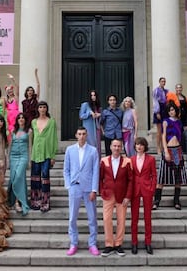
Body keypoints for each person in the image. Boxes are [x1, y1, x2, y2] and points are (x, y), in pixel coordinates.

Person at [63, 127, 99, 256]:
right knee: (72, 217)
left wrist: (94, 189)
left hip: (89, 188)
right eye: (79, 134)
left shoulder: (93, 151)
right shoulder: (70, 150)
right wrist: (68, 185)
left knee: (92, 217)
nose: (82, 136)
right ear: (76, 135)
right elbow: (66, 169)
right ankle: (73, 243)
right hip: (75, 187)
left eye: (84, 134)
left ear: (87, 135)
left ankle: (92, 243)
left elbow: (96, 171)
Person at [99, 139, 132, 257]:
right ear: (111, 147)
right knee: (107, 219)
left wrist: (128, 196)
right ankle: (109, 244)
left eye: (119, 146)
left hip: (122, 196)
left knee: (121, 220)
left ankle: (118, 244)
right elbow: (100, 178)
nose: (117, 148)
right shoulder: (104, 161)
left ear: (121, 147)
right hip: (108, 195)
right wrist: (101, 191)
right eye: (115, 146)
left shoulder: (127, 161)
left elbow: (130, 180)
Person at [154, 102, 187, 210]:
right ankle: (156, 201)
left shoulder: (179, 122)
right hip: (168, 149)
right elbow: (163, 136)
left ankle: (176, 201)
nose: (171, 112)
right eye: (169, 110)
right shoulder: (165, 121)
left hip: (178, 150)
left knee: (178, 178)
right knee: (162, 177)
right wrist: (165, 151)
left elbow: (181, 136)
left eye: (173, 110)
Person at [130, 137, 156, 255]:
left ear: (145, 146)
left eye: (141, 145)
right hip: (135, 189)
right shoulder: (131, 159)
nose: (139, 147)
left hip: (147, 189)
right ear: (134, 146)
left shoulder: (151, 159)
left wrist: (152, 188)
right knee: (134, 218)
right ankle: (134, 242)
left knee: (147, 217)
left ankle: (148, 242)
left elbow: (154, 175)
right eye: (137, 145)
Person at [30, 101, 58, 212]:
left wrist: (53, 156)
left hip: (47, 153)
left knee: (45, 176)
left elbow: (54, 139)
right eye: (40, 107)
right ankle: (35, 201)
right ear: (37, 109)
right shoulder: (33, 122)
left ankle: (45, 202)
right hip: (36, 153)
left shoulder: (51, 122)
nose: (42, 109)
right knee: (35, 177)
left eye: (44, 107)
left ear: (47, 109)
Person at [7, 113, 32, 216]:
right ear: (17, 120)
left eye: (23, 118)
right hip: (13, 156)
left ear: (25, 120)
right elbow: (9, 145)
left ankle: (18, 202)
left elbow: (30, 146)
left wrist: (30, 160)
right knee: (14, 177)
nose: (21, 119)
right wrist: (7, 158)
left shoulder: (29, 131)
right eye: (19, 118)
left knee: (18, 176)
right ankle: (16, 200)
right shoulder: (13, 131)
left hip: (23, 156)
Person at [79, 90, 102, 156]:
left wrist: (99, 115)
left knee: (97, 146)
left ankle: (97, 163)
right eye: (91, 95)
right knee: (90, 145)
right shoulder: (85, 105)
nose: (93, 97)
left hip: (97, 128)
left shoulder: (97, 106)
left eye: (94, 95)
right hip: (88, 128)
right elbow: (81, 116)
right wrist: (89, 113)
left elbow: (100, 118)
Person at [152, 77, 168, 154]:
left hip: (165, 109)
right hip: (159, 109)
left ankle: (163, 147)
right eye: (162, 81)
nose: (163, 82)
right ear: (159, 82)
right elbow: (155, 101)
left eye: (164, 81)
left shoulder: (166, 91)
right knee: (159, 131)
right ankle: (158, 148)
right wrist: (157, 112)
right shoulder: (156, 90)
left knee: (164, 130)